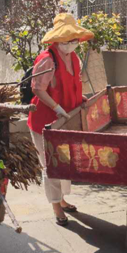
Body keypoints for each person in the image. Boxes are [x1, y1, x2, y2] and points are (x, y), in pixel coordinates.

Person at [27, 13, 94, 227]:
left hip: (67, 121)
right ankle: (56, 206)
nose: (72, 43)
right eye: (68, 39)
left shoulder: (73, 57)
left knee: (65, 163)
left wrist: (79, 99)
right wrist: (56, 107)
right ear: (58, 39)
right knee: (51, 165)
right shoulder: (47, 59)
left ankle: (62, 199)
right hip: (45, 122)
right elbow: (38, 88)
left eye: (74, 39)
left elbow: (72, 84)